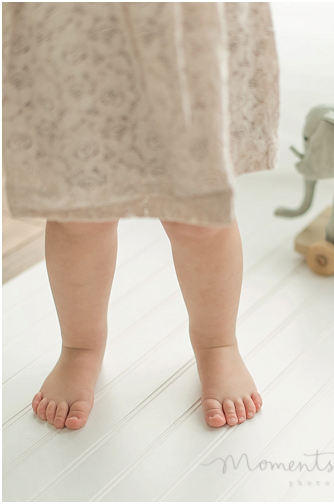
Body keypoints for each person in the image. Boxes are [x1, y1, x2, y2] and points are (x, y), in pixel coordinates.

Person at [2, 3, 279, 429]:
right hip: (73, 22)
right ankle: (79, 347)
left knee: (199, 212)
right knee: (79, 211)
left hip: (186, 22)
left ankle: (217, 343)